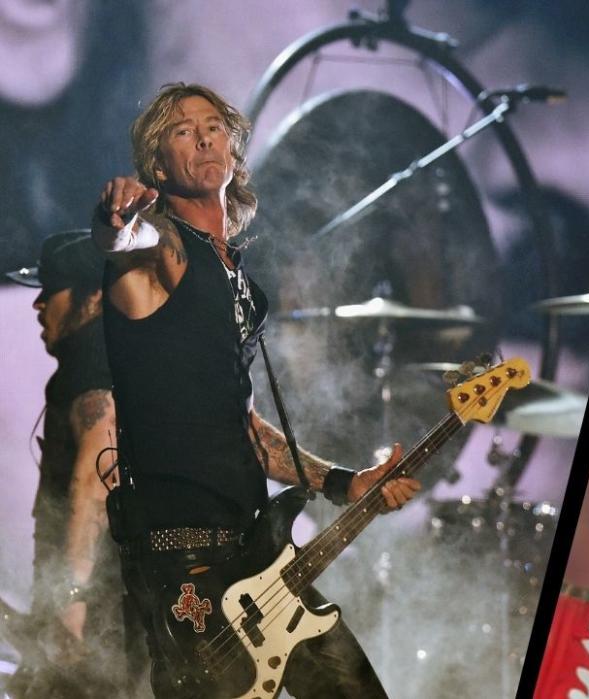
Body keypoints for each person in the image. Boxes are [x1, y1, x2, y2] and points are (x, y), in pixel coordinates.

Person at [90, 83, 419, 697]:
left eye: (214, 125)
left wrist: (348, 483)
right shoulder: (163, 248)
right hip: (183, 555)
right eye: (183, 129)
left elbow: (242, 425)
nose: (204, 135)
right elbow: (121, 244)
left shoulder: (236, 279)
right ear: (158, 164)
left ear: (235, 154)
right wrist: (112, 220)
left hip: (255, 552)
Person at [5, 231, 141, 697]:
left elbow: (96, 478)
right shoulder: (106, 360)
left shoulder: (91, 360)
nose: (38, 304)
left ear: (94, 297)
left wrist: (72, 604)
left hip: (93, 621)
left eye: (52, 289)